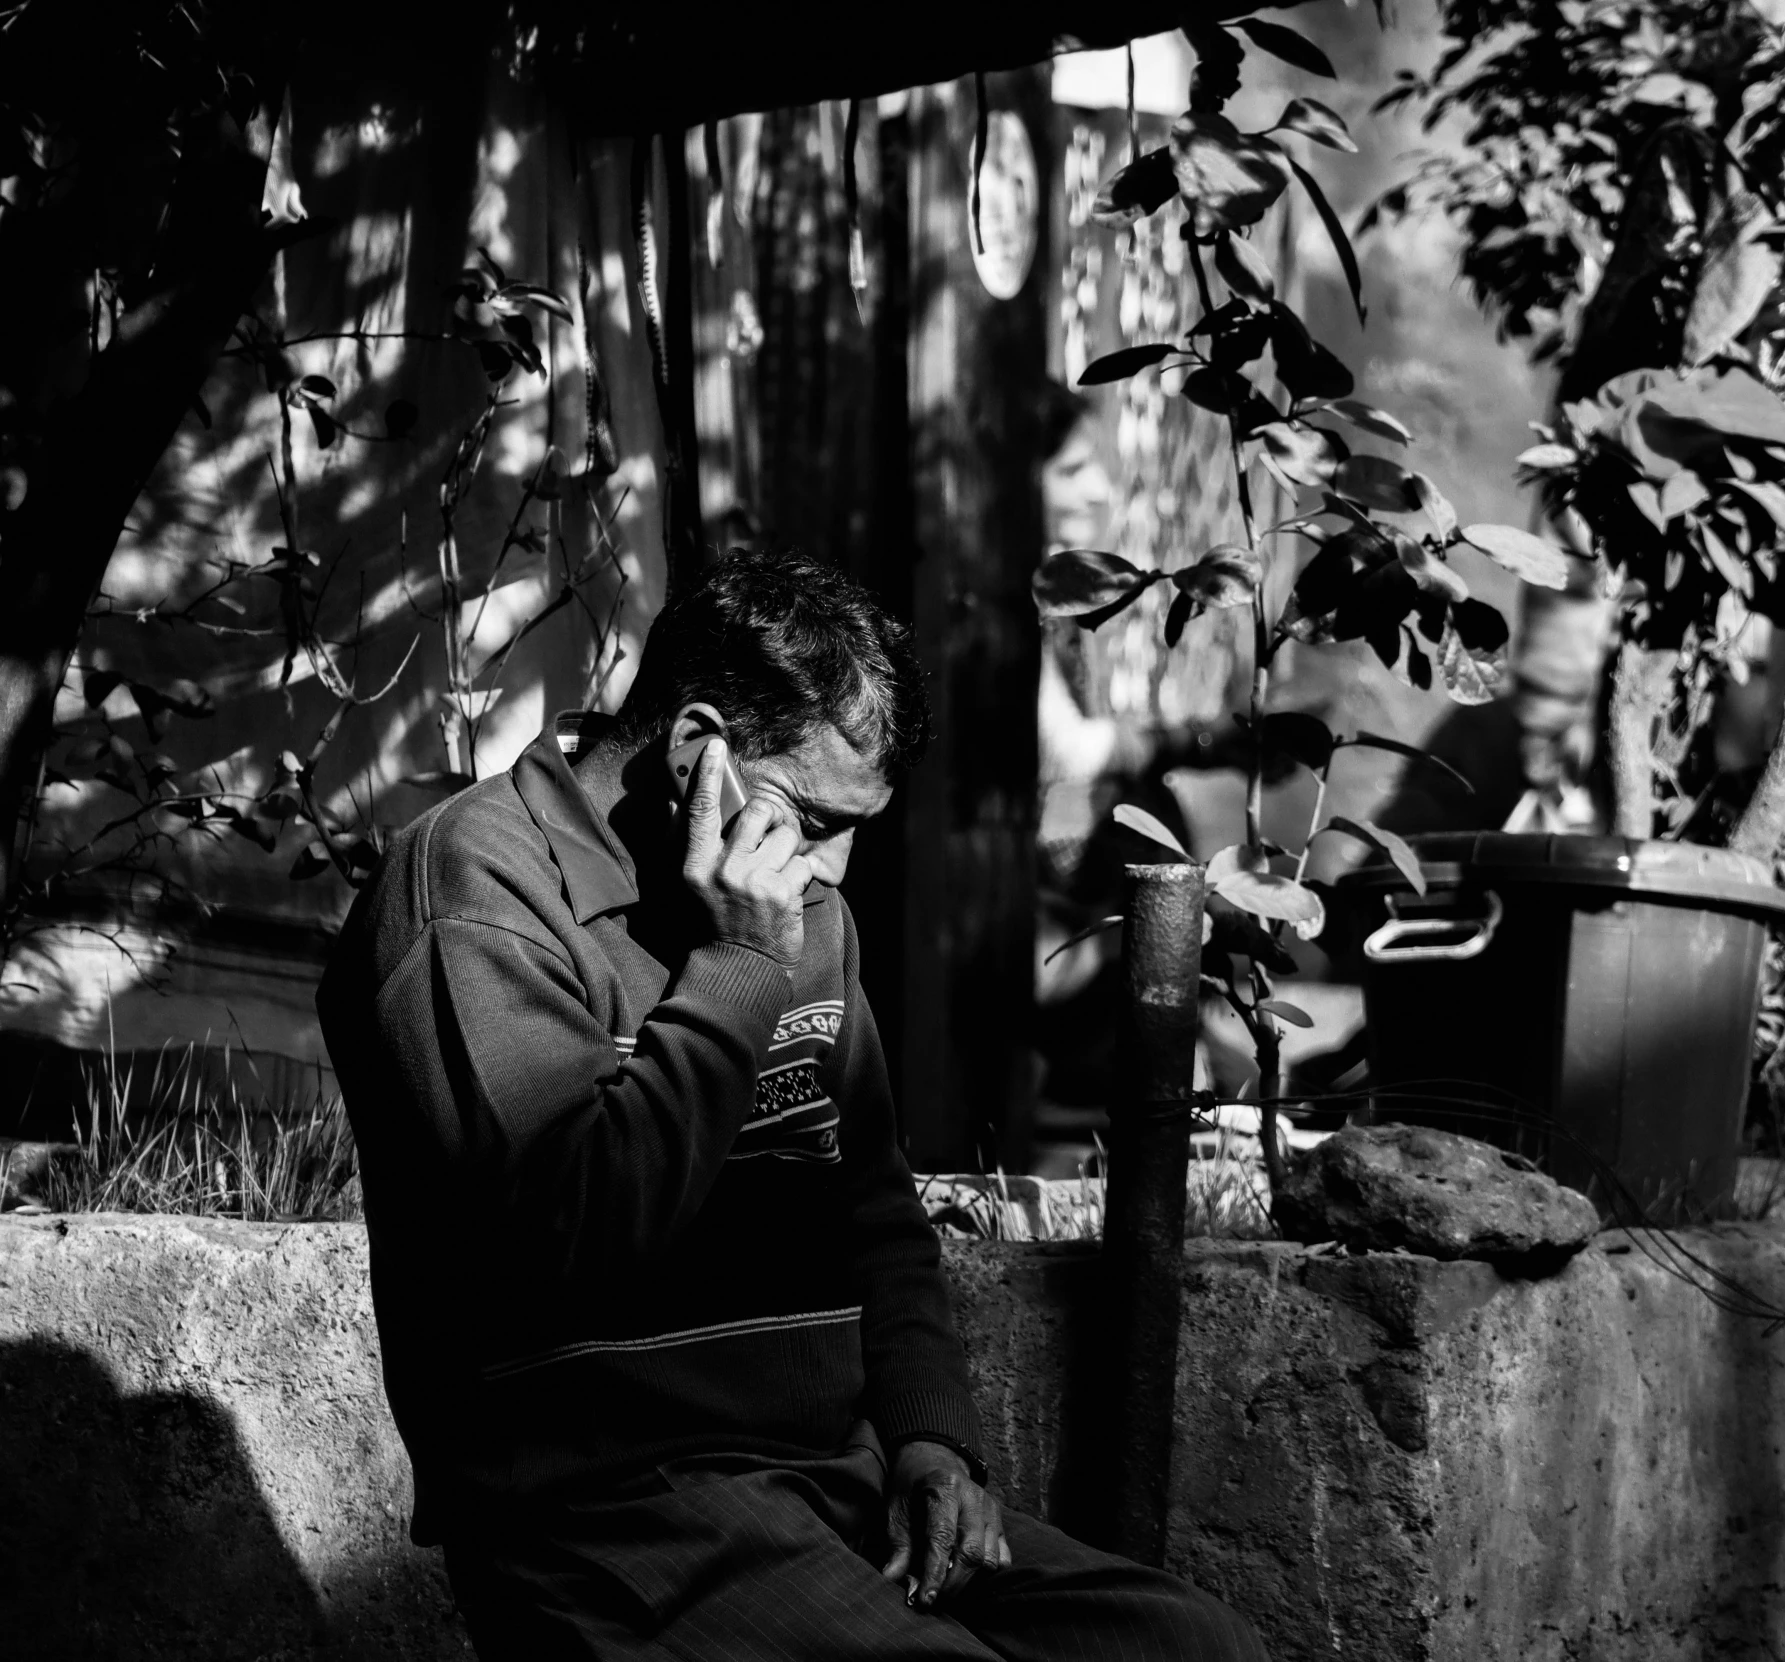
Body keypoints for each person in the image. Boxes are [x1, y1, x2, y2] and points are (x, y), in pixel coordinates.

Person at [318, 545, 1268, 1661]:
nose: (834, 874)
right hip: (604, 1515)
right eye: (814, 820)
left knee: (1196, 1647)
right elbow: (570, 1233)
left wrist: (929, 1443)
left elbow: (869, 1207)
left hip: (834, 1487)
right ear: (691, 751)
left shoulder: (791, 902)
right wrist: (734, 969)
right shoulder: (476, 894)